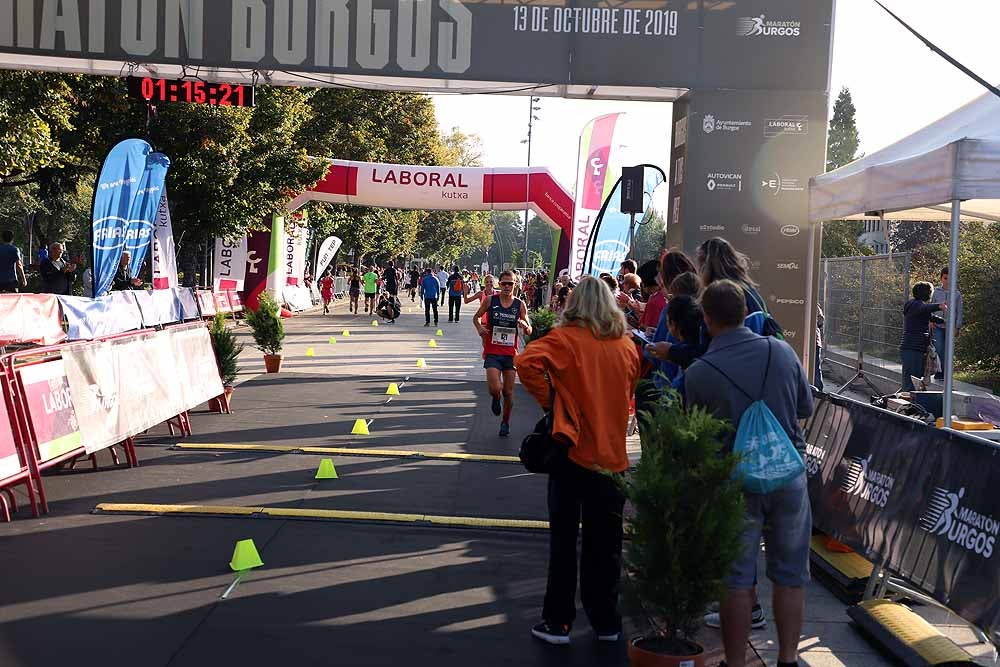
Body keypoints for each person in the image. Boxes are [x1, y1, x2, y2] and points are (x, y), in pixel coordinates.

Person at [683, 280, 814, 667]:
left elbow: (697, 435)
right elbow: (804, 408)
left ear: (707, 320)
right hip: (789, 477)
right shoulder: (783, 353)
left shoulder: (699, 372)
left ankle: (735, 662)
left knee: (736, 579)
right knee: (791, 575)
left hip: (733, 480)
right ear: (746, 312)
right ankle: (788, 659)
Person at [516, 276, 641, 646]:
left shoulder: (566, 340)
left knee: (564, 542)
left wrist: (554, 404)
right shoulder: (626, 346)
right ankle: (606, 622)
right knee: (607, 547)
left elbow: (526, 363)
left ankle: (558, 622)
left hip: (571, 454)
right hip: (613, 458)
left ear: (574, 304)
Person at [473, 270, 532, 437]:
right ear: (500, 284)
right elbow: (476, 317)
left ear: (515, 285)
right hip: (492, 350)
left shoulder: (519, 304)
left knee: (508, 391)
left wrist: (524, 326)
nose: (507, 286)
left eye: (510, 284)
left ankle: (505, 422)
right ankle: (495, 397)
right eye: (504, 283)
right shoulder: (491, 301)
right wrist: (480, 328)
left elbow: (529, 329)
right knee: (494, 388)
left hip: (510, 354)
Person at [900, 281, 946, 392]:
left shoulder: (913, 305)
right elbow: (924, 309)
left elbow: (930, 316)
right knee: (912, 381)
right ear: (926, 294)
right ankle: (907, 405)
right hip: (913, 348)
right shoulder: (916, 305)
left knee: (912, 379)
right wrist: (939, 306)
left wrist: (945, 321)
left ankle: (908, 402)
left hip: (913, 348)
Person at [930, 267, 964, 380]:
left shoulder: (957, 294)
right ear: (941, 278)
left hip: (950, 326)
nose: (947, 281)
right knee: (938, 348)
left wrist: (957, 327)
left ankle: (947, 372)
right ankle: (940, 371)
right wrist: (930, 320)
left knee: (948, 349)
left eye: (950, 278)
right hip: (937, 326)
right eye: (945, 278)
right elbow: (931, 307)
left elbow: (959, 311)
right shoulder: (935, 292)